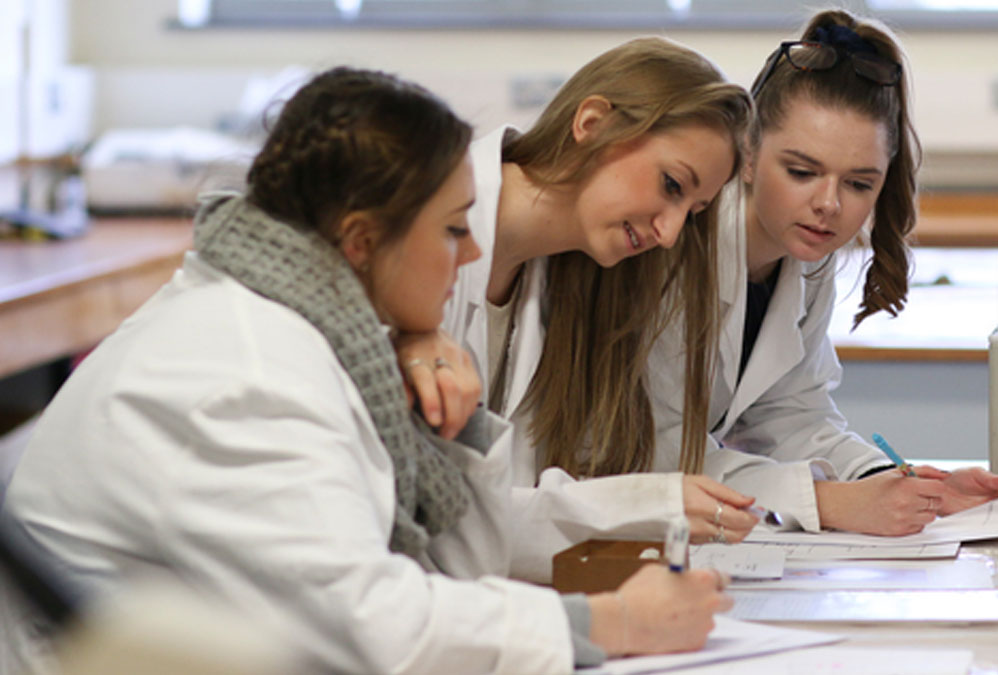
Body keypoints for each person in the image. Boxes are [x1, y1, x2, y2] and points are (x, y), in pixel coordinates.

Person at [0, 67, 731, 674]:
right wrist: (609, 620)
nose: (471, 254)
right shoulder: (248, 371)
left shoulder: (310, 332)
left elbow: (454, 571)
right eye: (452, 229)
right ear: (359, 240)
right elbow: (373, 628)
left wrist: (458, 424)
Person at [647, 8, 998, 537]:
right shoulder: (671, 248)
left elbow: (791, 415)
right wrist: (827, 503)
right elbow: (654, 451)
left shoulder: (806, 259)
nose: (828, 204)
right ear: (745, 154)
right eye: (802, 172)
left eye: (858, 184)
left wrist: (903, 485)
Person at [431, 37, 763, 583]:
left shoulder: (566, 279)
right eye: (671, 185)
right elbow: (428, 515)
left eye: (693, 211)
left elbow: (495, 517)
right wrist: (636, 505)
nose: (670, 232)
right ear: (592, 122)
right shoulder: (416, 232)